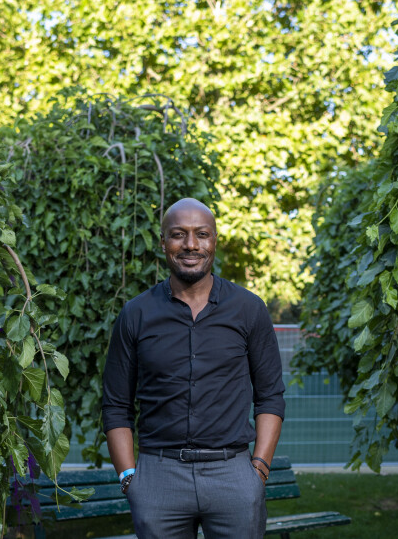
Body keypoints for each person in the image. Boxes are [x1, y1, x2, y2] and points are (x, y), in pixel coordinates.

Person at [102, 198, 285, 539]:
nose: (190, 245)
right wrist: (130, 477)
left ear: (214, 240)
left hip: (233, 475)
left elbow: (271, 395)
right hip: (159, 477)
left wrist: (257, 470)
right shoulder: (135, 314)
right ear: (163, 242)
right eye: (178, 235)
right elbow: (116, 405)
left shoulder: (249, 310)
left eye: (201, 234)